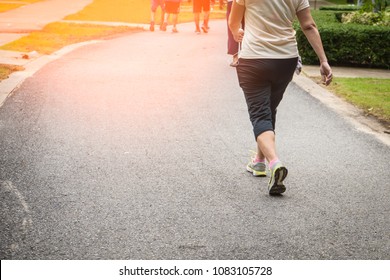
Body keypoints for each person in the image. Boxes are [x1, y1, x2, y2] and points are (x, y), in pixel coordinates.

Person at [228, 0, 332, 195]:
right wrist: (323, 60)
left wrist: (236, 32)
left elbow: (233, 21)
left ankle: (274, 163)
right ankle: (259, 162)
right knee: (269, 108)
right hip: (285, 60)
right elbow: (309, 25)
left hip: (254, 59)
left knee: (260, 115)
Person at [226, 0, 244, 66]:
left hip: (232, 2)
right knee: (246, 27)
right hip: (247, 2)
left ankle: (235, 58)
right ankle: (245, 56)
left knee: (233, 27)